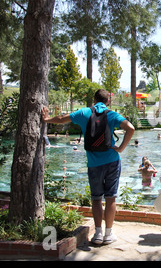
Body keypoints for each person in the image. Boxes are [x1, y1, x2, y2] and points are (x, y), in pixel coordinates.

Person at [42, 89, 135, 245]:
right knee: (111, 198)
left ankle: (98, 234)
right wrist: (120, 148)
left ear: (94, 100)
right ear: (107, 102)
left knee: (96, 199)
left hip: (93, 163)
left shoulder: (84, 113)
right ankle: (108, 234)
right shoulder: (111, 115)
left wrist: (46, 119)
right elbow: (130, 128)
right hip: (112, 160)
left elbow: (62, 118)